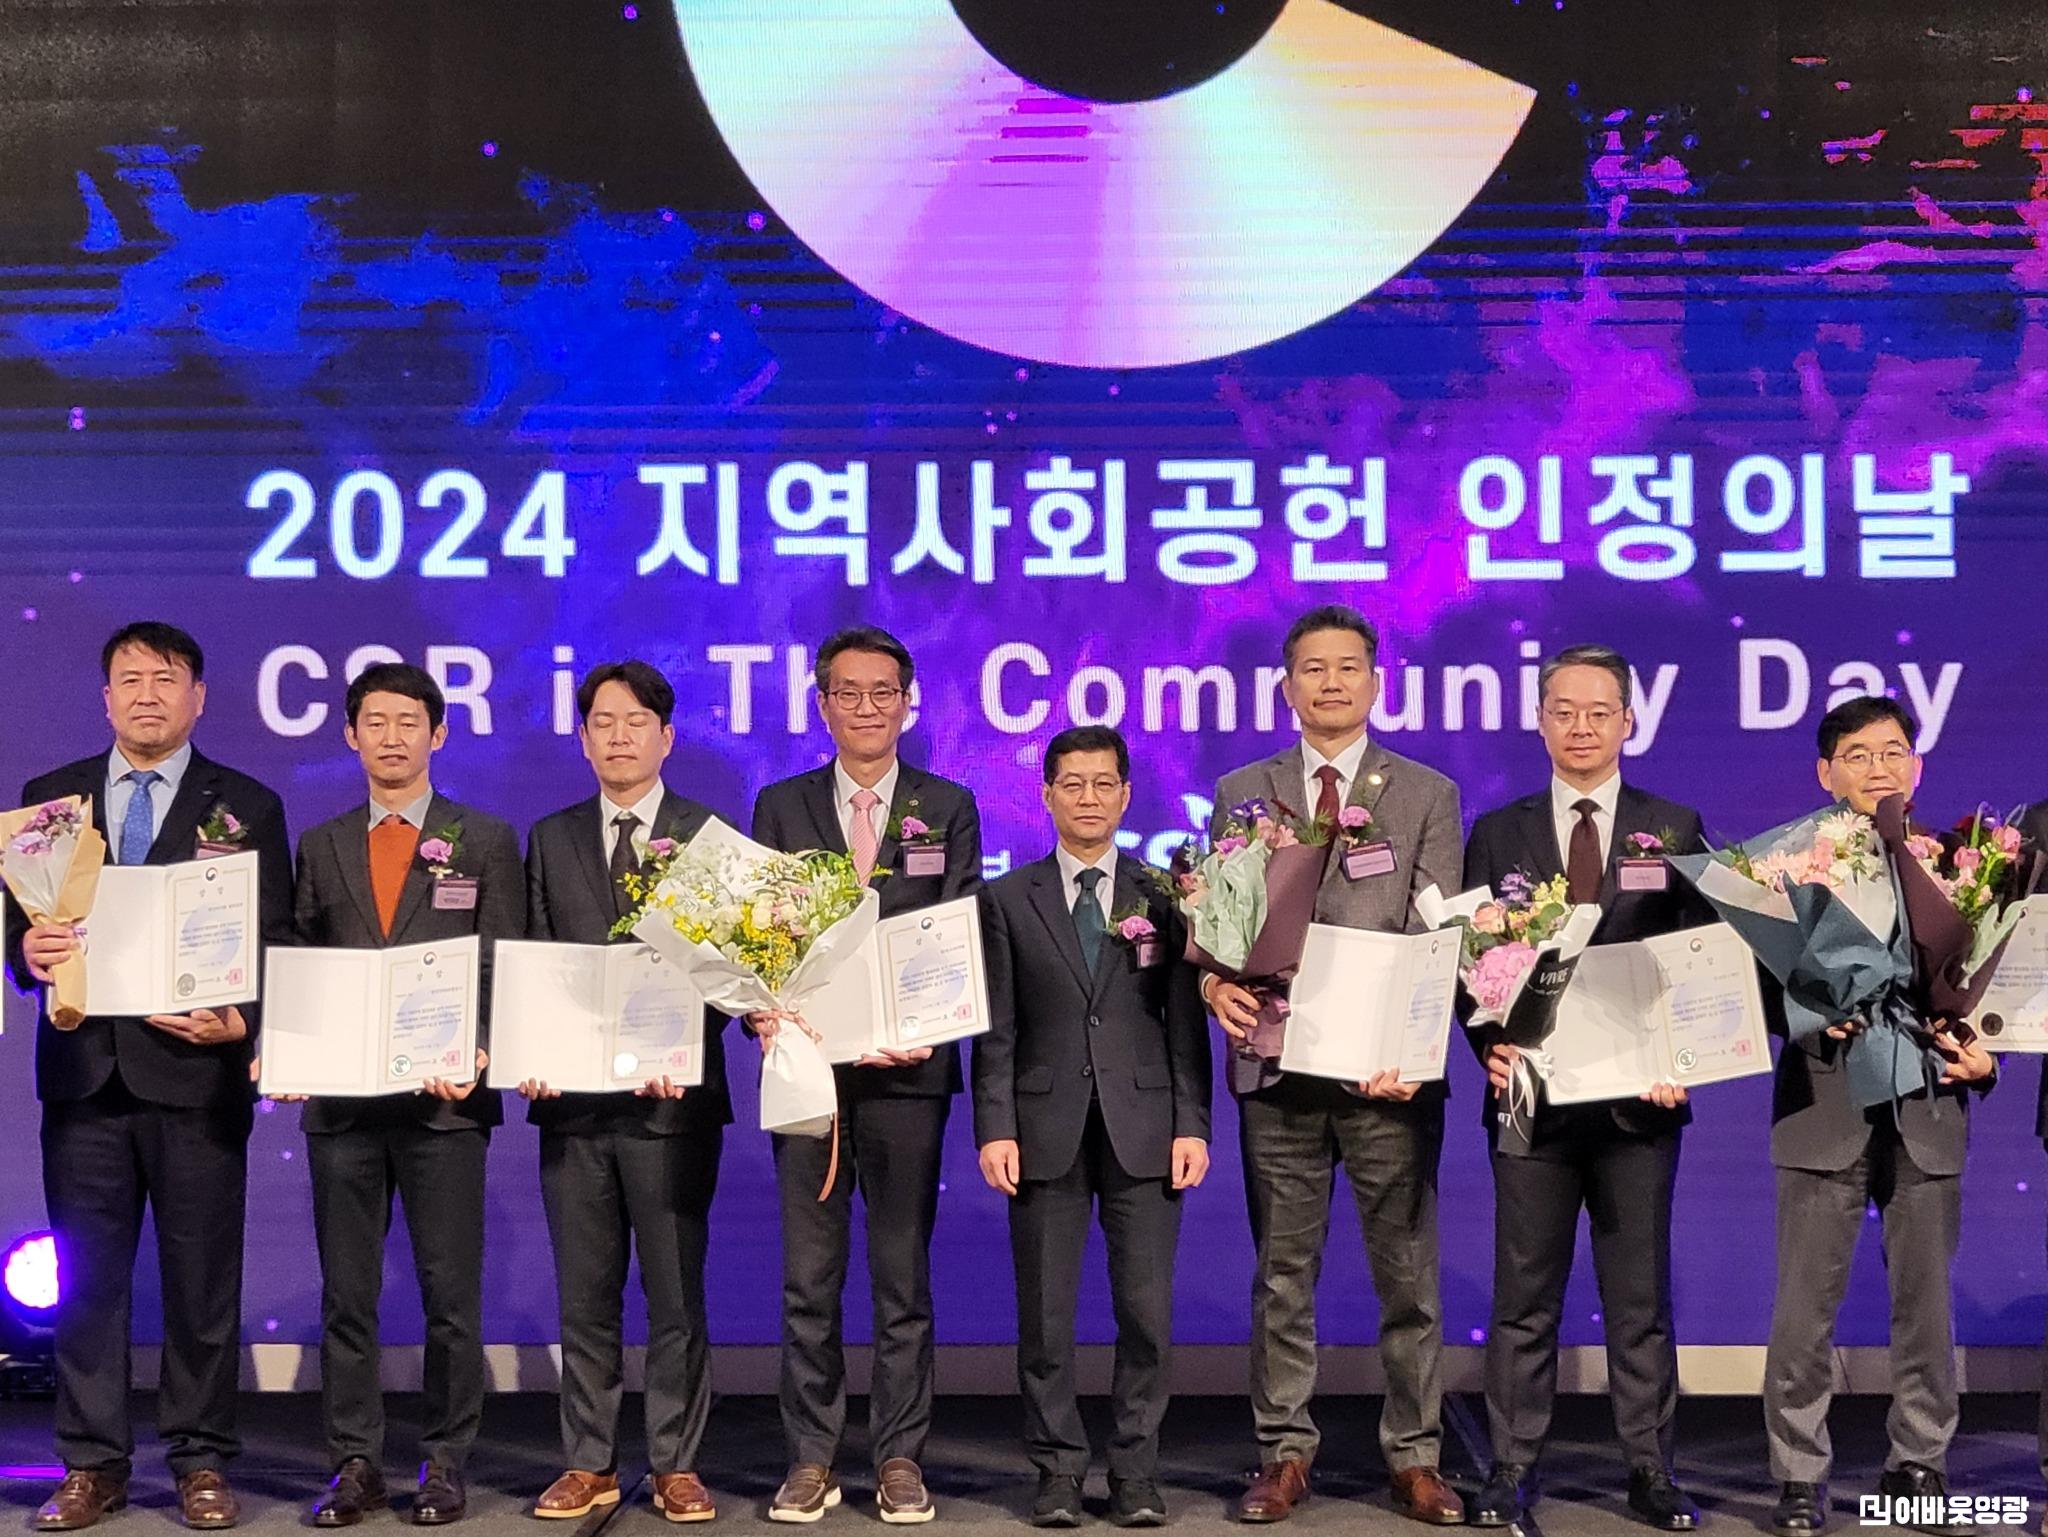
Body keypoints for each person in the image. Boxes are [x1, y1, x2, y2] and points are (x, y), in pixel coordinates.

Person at [3, 622, 293, 1532]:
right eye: (129, 679)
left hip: (197, 1076)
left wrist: (242, 1018)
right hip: (85, 1076)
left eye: (166, 679)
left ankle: (201, 1459)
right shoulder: (49, 801)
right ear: (105, 698)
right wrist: (25, 951)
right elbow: (15, 929)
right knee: (88, 1281)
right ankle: (92, 1463)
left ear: (198, 697)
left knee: (201, 1280)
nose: (146, 694)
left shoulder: (246, 804)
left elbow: (275, 937)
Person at [1204, 605, 1464, 1525]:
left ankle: (1416, 1456)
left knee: (1408, 1277)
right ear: (1287, 686)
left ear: (1375, 682)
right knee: (1283, 1273)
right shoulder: (1245, 788)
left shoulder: (1426, 792)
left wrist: (1411, 1049)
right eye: (1312, 668)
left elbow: (1442, 938)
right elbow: (1223, 925)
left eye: (1348, 666)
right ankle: (1283, 1452)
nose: (1330, 682)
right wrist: (1212, 983)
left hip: (1386, 1078)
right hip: (1278, 1071)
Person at [1459, 645, 1707, 1531]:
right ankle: (1510, 1467)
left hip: (1641, 1105)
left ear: (1629, 721)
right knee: (1523, 1298)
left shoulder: (1672, 824)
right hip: (1530, 1100)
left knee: (1639, 1300)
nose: (1581, 727)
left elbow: (1701, 959)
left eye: (1599, 712)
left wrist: (1686, 1056)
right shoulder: (1499, 830)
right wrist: (1487, 1047)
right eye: (1563, 711)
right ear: (1539, 720)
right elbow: (1468, 959)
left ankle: (1651, 1468)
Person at [749, 626, 982, 1524]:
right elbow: (757, 938)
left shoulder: (947, 806)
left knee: (900, 1278)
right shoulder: (781, 806)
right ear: (822, 705)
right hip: (808, 1070)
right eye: (848, 692)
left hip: (907, 1078)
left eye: (884, 691)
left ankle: (899, 1455)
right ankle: (811, 1455)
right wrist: (761, 1008)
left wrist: (926, 1025)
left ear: (907, 703)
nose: (867, 707)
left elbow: (957, 931)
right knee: (808, 1280)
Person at [285, 663, 523, 1528]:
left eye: (409, 721)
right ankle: (355, 1462)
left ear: (439, 734)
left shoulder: (483, 837)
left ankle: (445, 1459)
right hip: (344, 1107)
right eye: (375, 722)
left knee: (449, 1296)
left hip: (444, 1105)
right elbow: (299, 960)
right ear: (351, 735)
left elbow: (503, 961)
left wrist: (484, 1050)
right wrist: (290, 1046)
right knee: (346, 1296)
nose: (392, 736)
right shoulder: (321, 843)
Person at [1762, 697, 1994, 1537]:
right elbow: (1750, 989)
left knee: (1927, 1306)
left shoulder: (1960, 864)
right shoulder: (1786, 866)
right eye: (1857, 755)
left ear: (1917, 766)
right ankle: (1798, 1474)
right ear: (1827, 773)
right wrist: (1805, 1009)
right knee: (1804, 1309)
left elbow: (1991, 991)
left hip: (1929, 1104)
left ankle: (1919, 1463)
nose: (1878, 768)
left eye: (1894, 751)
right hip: (1824, 1102)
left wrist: (1988, 1055)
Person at [974, 725, 1211, 1528]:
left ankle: (1136, 1470)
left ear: (1126, 794)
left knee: (1146, 1315)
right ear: (1046, 794)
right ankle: (1058, 1471)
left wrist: (1192, 1122)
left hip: (1146, 1128)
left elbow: (1184, 1022)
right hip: (1043, 1127)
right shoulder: (1009, 897)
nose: (1088, 798)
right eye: (1071, 783)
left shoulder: (1163, 893)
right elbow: (997, 1027)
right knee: (1046, 1318)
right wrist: (994, 1125)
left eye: (1103, 783)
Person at [518, 661, 730, 1524]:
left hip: (673, 1106)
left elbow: (733, 970)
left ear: (666, 736)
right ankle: (590, 1461)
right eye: (602, 722)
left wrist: (685, 1042)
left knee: (676, 1292)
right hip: (573, 1107)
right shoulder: (551, 836)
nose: (618, 736)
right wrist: (533, 1047)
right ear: (582, 739)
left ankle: (676, 1462)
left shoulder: (706, 835)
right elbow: (535, 958)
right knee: (586, 1292)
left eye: (635, 721)